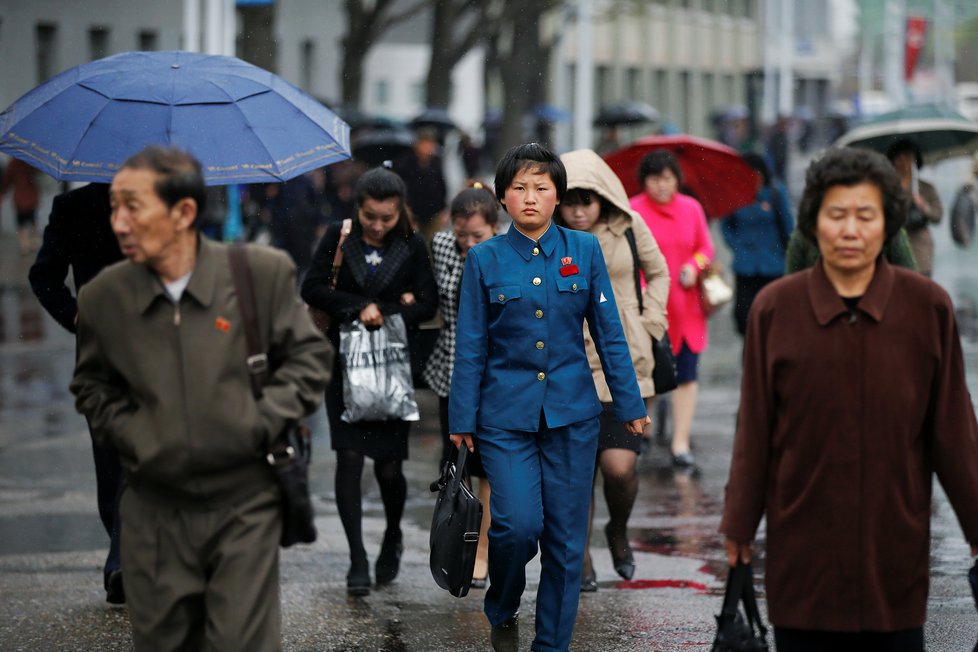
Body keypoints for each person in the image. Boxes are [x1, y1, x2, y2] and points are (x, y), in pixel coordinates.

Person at [69, 146, 332, 650]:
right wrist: (135, 435)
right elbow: (91, 385)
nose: (119, 223)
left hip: (244, 506)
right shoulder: (103, 297)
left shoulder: (258, 275)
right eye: (113, 208)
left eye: (133, 207)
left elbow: (308, 359)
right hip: (152, 510)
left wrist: (258, 420)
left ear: (184, 212)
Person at [720, 147, 978, 652]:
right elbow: (754, 430)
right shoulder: (776, 309)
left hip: (895, 555)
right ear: (814, 223)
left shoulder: (926, 308)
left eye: (866, 215)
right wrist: (738, 524)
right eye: (836, 215)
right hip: (803, 557)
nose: (851, 230)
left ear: (888, 224)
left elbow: (954, 431)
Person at [448, 143, 649, 652]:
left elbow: (609, 334)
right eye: (519, 188)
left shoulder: (584, 251)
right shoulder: (484, 259)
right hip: (503, 418)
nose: (530, 197)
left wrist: (629, 405)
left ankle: (551, 645)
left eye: (541, 187)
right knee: (515, 528)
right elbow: (471, 344)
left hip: (573, 415)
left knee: (564, 542)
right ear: (502, 199)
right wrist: (461, 417)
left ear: (557, 195)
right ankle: (503, 601)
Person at [301, 167, 438, 596]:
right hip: (343, 364)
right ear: (358, 209)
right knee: (348, 458)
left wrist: (392, 311)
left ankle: (393, 533)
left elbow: (429, 301)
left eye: (387, 218)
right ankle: (357, 556)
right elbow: (312, 288)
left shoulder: (412, 244)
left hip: (391, 367)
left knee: (390, 467)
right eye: (371, 217)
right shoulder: (339, 237)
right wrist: (360, 307)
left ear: (399, 213)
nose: (378, 226)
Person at [556, 148, 670, 592]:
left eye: (588, 200)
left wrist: (650, 321)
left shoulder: (627, 227)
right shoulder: (551, 237)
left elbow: (658, 271)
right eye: (571, 200)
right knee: (578, 473)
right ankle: (580, 558)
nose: (580, 210)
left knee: (620, 469)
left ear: (604, 197)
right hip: (572, 367)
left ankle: (617, 530)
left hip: (626, 365)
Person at [28, 182, 127, 604]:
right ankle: (124, 556)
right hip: (101, 350)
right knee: (113, 459)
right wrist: (74, 314)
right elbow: (43, 275)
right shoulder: (73, 207)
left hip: (156, 348)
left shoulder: (161, 201)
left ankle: (124, 559)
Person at [423, 182, 500, 589]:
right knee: (455, 463)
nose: (467, 243)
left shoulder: (505, 254)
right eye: (461, 234)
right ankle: (453, 544)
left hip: (491, 377)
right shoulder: (441, 247)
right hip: (449, 371)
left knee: (486, 465)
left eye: (477, 235)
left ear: (495, 227)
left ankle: (483, 549)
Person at [630, 149, 715, 469]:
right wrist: (639, 285)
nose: (662, 185)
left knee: (686, 374)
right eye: (654, 179)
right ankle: (644, 432)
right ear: (644, 181)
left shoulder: (692, 208)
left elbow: (705, 248)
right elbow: (628, 255)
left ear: (677, 179)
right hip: (648, 308)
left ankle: (680, 443)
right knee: (646, 372)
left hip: (686, 306)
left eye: (667, 178)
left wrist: (695, 265)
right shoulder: (633, 211)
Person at [721, 152, 794, 337]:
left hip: (773, 265)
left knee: (774, 316)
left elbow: (788, 227)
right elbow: (726, 225)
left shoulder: (776, 193)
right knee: (744, 318)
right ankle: (752, 355)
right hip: (745, 267)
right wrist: (736, 245)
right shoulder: (734, 195)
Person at [886, 138, 943, 276]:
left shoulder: (926, 188)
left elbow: (937, 216)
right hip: (894, 245)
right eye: (900, 157)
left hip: (920, 246)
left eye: (909, 157)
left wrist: (924, 206)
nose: (904, 162)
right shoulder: (888, 188)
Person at [393, 127, 448, 242]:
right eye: (425, 143)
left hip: (433, 212)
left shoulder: (436, 163)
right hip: (411, 212)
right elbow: (399, 187)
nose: (428, 147)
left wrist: (444, 209)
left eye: (431, 143)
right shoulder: (405, 163)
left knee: (431, 244)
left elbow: (442, 186)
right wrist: (405, 209)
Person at [0, 157, 41, 254]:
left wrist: (2, 194)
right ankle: (33, 241)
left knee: (21, 222)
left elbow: (6, 181)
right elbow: (39, 175)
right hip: (31, 195)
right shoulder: (31, 161)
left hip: (19, 196)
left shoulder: (13, 163)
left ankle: (24, 244)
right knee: (32, 219)